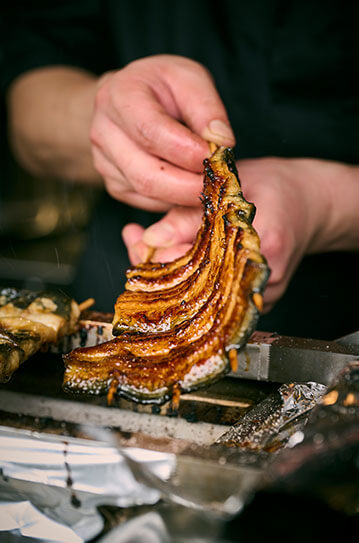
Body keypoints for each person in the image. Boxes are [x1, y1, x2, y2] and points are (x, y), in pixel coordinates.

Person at [1, 1, 359, 339]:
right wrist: (106, 113)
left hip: (340, 328)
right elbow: (32, 98)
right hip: (121, 304)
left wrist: (326, 206)